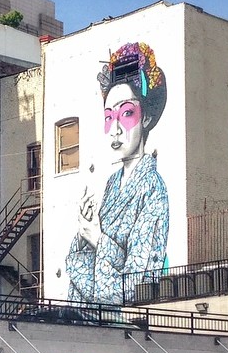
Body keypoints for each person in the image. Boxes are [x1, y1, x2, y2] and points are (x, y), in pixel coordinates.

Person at [65, 41, 169, 304]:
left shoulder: (153, 189)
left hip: (132, 322)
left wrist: (96, 238)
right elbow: (81, 271)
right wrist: (84, 233)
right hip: (91, 318)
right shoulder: (112, 183)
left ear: (146, 118)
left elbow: (136, 283)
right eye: (109, 117)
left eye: (127, 113)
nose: (115, 129)